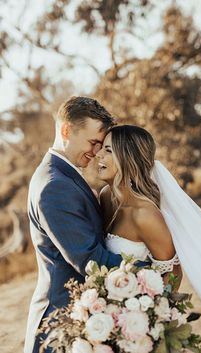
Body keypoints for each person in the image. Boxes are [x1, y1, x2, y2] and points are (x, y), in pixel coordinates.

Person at [97, 124, 201, 339]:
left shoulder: (145, 214)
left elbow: (172, 272)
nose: (99, 155)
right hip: (109, 315)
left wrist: (149, 316)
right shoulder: (106, 196)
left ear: (128, 158)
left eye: (108, 150)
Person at [24, 96, 125, 353]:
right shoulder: (54, 186)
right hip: (59, 326)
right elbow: (92, 260)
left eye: (101, 145)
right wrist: (152, 268)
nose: (96, 152)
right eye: (92, 142)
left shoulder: (64, 175)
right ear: (66, 130)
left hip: (81, 319)